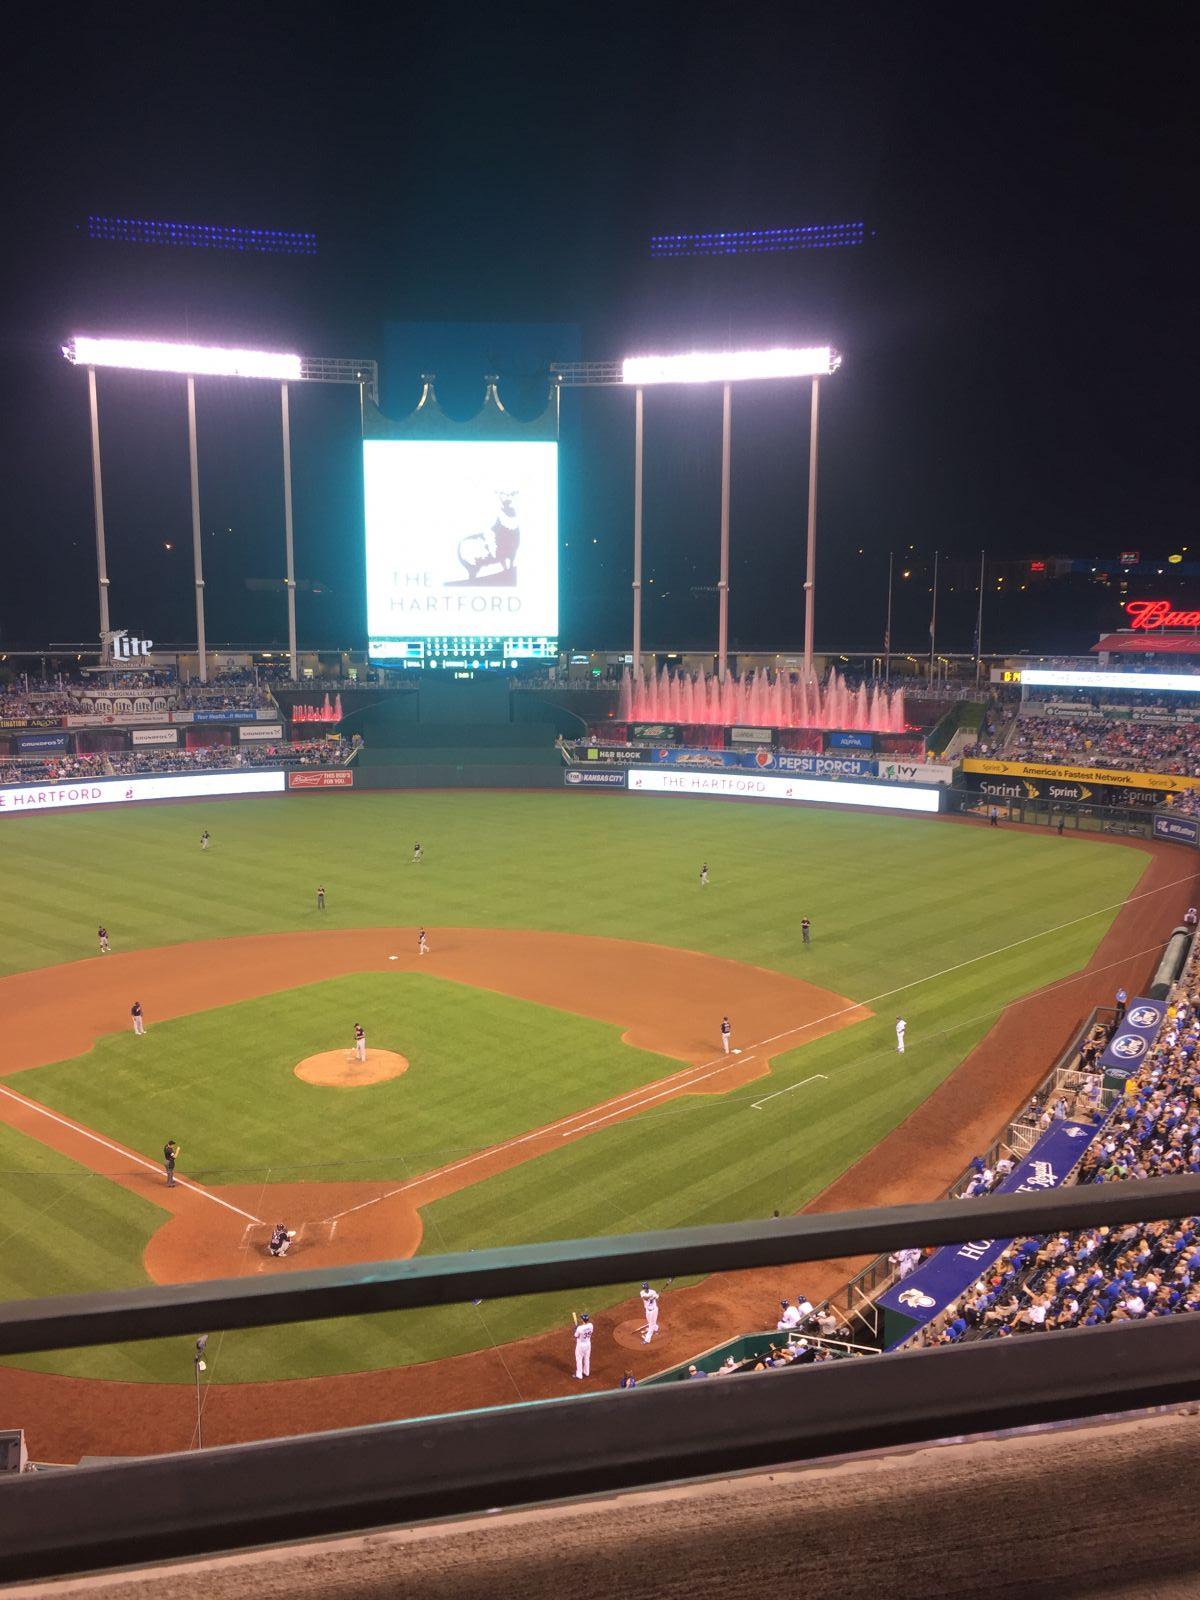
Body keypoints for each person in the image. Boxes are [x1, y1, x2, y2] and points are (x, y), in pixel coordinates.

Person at [573, 1312, 592, 1379]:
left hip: (581, 1345)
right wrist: (578, 1329)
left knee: (579, 1359)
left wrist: (575, 1330)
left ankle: (579, 1375)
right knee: (587, 1358)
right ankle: (586, 1372)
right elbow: (584, 1330)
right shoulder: (591, 1325)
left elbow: (576, 1336)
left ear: (582, 1320)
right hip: (588, 1344)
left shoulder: (579, 1328)